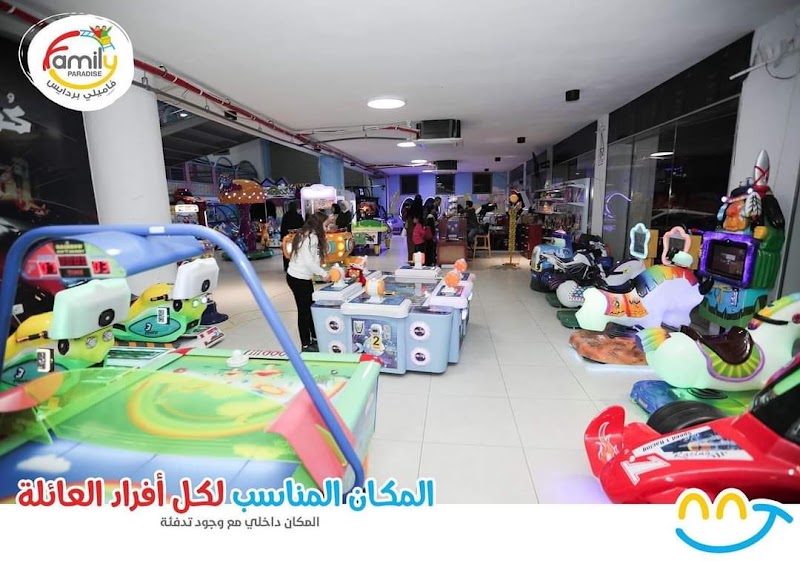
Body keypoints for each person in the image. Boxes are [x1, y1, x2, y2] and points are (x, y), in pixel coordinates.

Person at [286, 213, 330, 352]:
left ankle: (315, 338)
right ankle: (306, 344)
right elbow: (308, 262)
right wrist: (323, 274)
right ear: (318, 225)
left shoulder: (309, 235)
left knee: (310, 308)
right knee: (304, 311)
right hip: (298, 279)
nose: (327, 228)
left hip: (301, 278)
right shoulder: (310, 237)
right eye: (326, 225)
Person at [280, 201, 304, 272]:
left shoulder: (286, 216)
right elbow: (303, 227)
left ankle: (287, 266)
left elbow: (283, 227)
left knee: (286, 251)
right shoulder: (299, 216)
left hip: (288, 237)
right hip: (298, 236)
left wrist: (282, 237)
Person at [406, 195, 423, 262]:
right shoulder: (420, 210)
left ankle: (411, 258)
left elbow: (406, 218)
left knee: (410, 245)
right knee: (418, 245)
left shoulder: (410, 209)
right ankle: (418, 259)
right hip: (418, 229)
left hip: (410, 228)